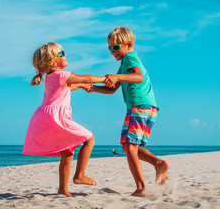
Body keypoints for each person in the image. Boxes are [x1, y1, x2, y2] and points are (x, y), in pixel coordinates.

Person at [89, 27, 170, 197]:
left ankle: (141, 188)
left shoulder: (130, 58)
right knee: (127, 147)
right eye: (110, 48)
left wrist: (117, 77)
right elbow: (112, 90)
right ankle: (159, 164)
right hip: (145, 106)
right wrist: (93, 88)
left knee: (130, 146)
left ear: (129, 45)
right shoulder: (124, 64)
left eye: (116, 47)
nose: (112, 51)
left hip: (139, 105)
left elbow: (138, 77)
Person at [23, 42, 106, 197]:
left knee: (67, 153)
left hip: (44, 118)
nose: (65, 55)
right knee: (89, 139)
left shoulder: (51, 77)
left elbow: (66, 88)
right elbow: (87, 77)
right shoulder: (63, 75)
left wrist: (81, 86)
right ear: (53, 62)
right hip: (57, 118)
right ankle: (80, 175)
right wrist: (106, 78)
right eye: (62, 53)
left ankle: (62, 189)